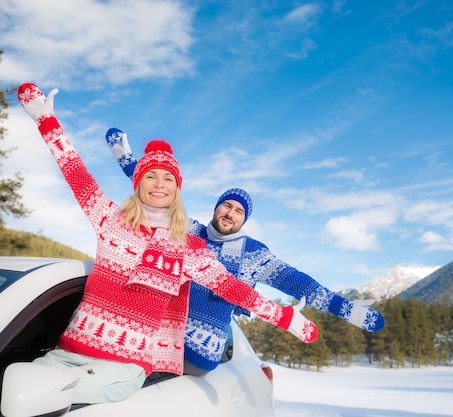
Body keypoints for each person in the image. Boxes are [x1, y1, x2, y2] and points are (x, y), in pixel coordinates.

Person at [16, 83, 317, 404]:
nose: (159, 183)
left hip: (122, 369)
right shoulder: (109, 219)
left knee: (26, 399)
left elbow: (233, 289)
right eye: (151, 175)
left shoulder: (188, 249)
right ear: (139, 182)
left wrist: (286, 319)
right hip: (67, 354)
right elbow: (76, 172)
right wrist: (46, 122)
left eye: (168, 178)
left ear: (176, 189)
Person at [106, 127, 385, 373]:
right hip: (160, 336)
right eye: (227, 205)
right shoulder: (191, 231)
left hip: (196, 351)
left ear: (243, 220)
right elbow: (158, 198)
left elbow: (296, 280)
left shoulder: (251, 253)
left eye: (239, 211)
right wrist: (128, 162)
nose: (231, 213)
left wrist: (345, 308)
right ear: (217, 208)